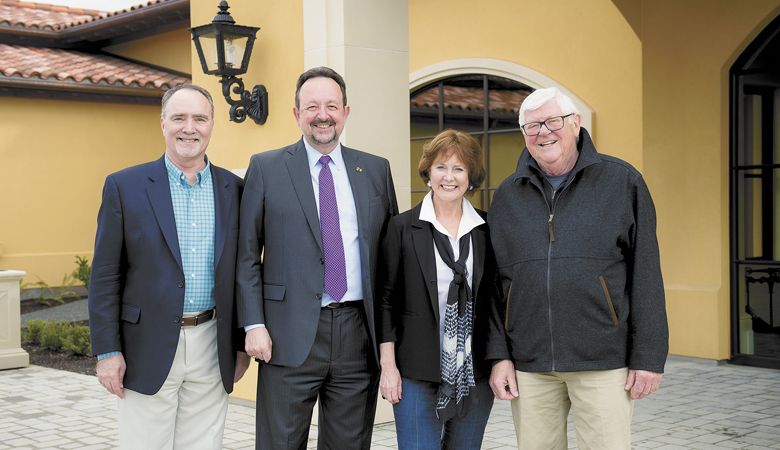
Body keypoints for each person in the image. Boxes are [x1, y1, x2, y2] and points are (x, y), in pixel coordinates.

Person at [487, 87, 668, 449]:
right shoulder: (507, 195)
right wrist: (499, 356)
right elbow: (494, 284)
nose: (543, 132)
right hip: (530, 364)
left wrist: (648, 357)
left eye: (553, 121)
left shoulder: (622, 182)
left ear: (576, 124)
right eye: (532, 125)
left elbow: (646, 273)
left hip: (602, 361)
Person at [236, 66, 398, 449]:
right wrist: (253, 324)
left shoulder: (375, 170)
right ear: (296, 114)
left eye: (331, 105)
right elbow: (246, 256)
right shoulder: (266, 167)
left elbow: (391, 257)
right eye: (311, 107)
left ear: (345, 112)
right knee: (280, 443)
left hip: (358, 334)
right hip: (285, 333)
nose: (321, 115)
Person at [88, 83, 249, 449]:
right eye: (179, 117)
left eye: (199, 118)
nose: (189, 127)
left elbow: (244, 272)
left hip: (212, 341)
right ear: (163, 124)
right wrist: (108, 352)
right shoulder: (124, 186)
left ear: (212, 125)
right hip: (145, 346)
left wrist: (239, 345)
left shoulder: (236, 190)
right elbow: (105, 277)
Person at [377, 130, 497, 449]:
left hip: (474, 372)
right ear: (428, 172)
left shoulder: (486, 230)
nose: (449, 177)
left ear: (471, 178)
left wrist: (501, 360)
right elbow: (386, 301)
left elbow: (497, 303)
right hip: (415, 372)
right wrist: (388, 368)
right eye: (441, 167)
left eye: (459, 169)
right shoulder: (402, 227)